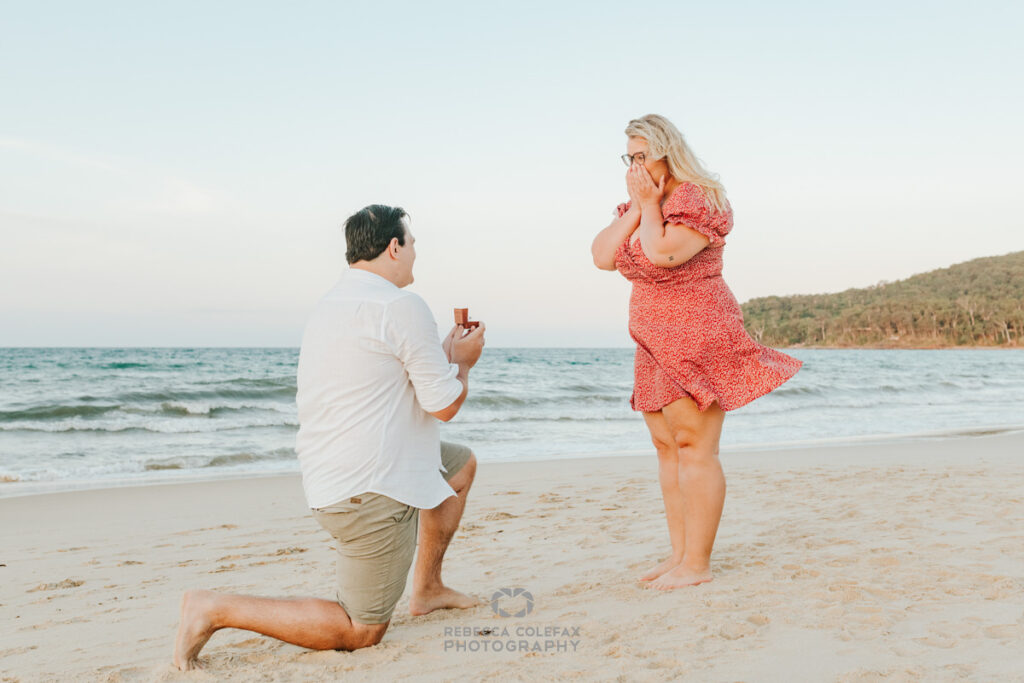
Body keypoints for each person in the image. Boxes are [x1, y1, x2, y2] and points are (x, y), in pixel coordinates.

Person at [173, 204, 486, 670]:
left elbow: (389, 375)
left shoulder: (332, 304)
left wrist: (443, 351)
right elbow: (443, 405)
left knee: (458, 466)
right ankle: (213, 608)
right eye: (413, 243)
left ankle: (428, 589)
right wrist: (463, 362)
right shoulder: (401, 306)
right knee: (360, 629)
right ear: (394, 246)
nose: (417, 253)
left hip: (334, 472)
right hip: (369, 489)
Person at [590, 115, 802, 591]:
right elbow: (603, 256)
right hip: (651, 338)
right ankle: (680, 554)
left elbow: (663, 251)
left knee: (693, 445)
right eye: (630, 157)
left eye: (642, 156)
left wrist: (648, 207)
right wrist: (638, 206)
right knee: (666, 447)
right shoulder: (642, 202)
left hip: (695, 330)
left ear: (668, 151)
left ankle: (698, 563)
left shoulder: (696, 197)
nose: (635, 166)